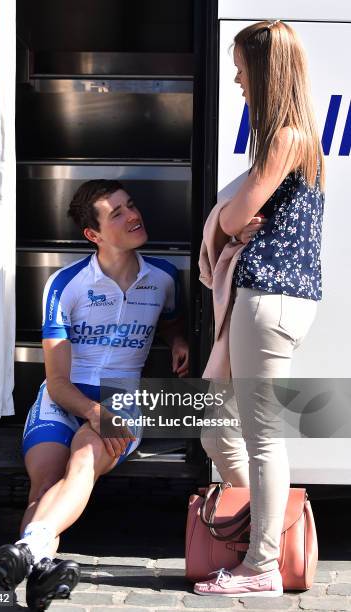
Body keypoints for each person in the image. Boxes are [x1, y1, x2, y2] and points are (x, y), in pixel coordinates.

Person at [0, 179, 189, 611]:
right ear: (93, 235)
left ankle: (28, 551)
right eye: (116, 213)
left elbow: (171, 320)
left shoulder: (164, 277)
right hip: (65, 394)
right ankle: (40, 568)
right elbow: (58, 382)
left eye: (131, 206)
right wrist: (93, 413)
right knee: (43, 485)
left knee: (83, 459)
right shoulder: (65, 284)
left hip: (122, 392)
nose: (133, 215)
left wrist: (177, 341)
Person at [195, 20, 325, 598]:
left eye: (243, 69)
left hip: (269, 299)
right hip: (262, 297)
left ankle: (261, 564)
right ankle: (257, 528)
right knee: (214, 426)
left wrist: (223, 223)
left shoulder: (287, 137)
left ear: (268, 73)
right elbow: (231, 219)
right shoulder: (285, 139)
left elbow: (230, 218)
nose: (237, 79)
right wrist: (226, 223)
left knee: (261, 434)